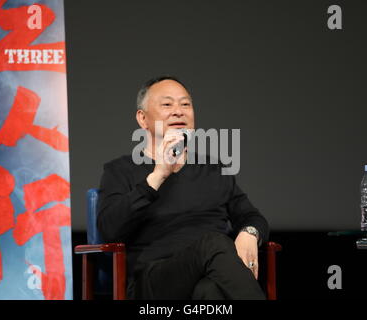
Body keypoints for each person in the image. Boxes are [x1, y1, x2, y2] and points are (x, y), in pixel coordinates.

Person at [97, 76, 269, 300]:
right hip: (153, 281)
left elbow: (251, 216)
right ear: (142, 118)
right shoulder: (120, 170)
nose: (179, 111)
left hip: (210, 276)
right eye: (167, 104)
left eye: (185, 104)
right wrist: (158, 175)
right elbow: (109, 228)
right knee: (214, 243)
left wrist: (249, 233)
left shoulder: (214, 170)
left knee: (208, 291)